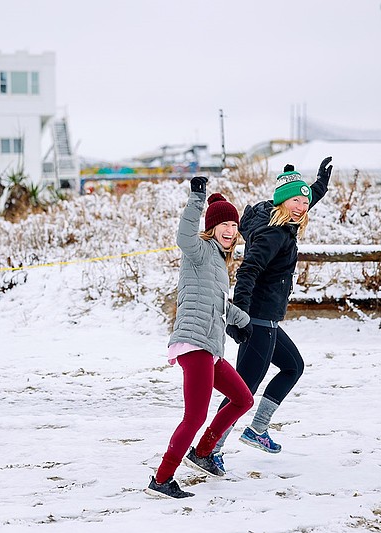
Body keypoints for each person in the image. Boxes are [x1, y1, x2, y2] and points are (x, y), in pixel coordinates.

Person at [210, 157, 333, 473]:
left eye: (305, 201)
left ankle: (257, 429)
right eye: (296, 200)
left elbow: (302, 196)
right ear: (282, 202)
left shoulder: (278, 218)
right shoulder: (273, 234)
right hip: (257, 321)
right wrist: (239, 319)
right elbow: (247, 271)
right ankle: (209, 449)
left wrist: (320, 183)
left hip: (268, 321)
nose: (302, 206)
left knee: (293, 366)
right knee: (244, 392)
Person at [146, 176, 254, 499]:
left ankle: (203, 452)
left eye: (233, 225)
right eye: (223, 224)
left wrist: (242, 321)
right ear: (211, 227)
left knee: (243, 399)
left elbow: (219, 304)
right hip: (194, 344)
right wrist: (197, 198)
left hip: (211, 348)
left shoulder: (220, 263)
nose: (230, 230)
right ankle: (162, 479)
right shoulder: (199, 251)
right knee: (194, 416)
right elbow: (183, 236)